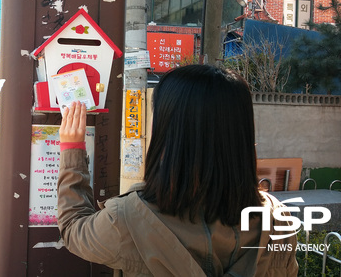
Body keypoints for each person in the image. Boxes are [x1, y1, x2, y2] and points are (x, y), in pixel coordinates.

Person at [57, 65, 298, 276]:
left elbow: (73, 229)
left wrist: (72, 149)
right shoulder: (279, 223)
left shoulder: (129, 219)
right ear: (243, 134)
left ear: (166, 131)